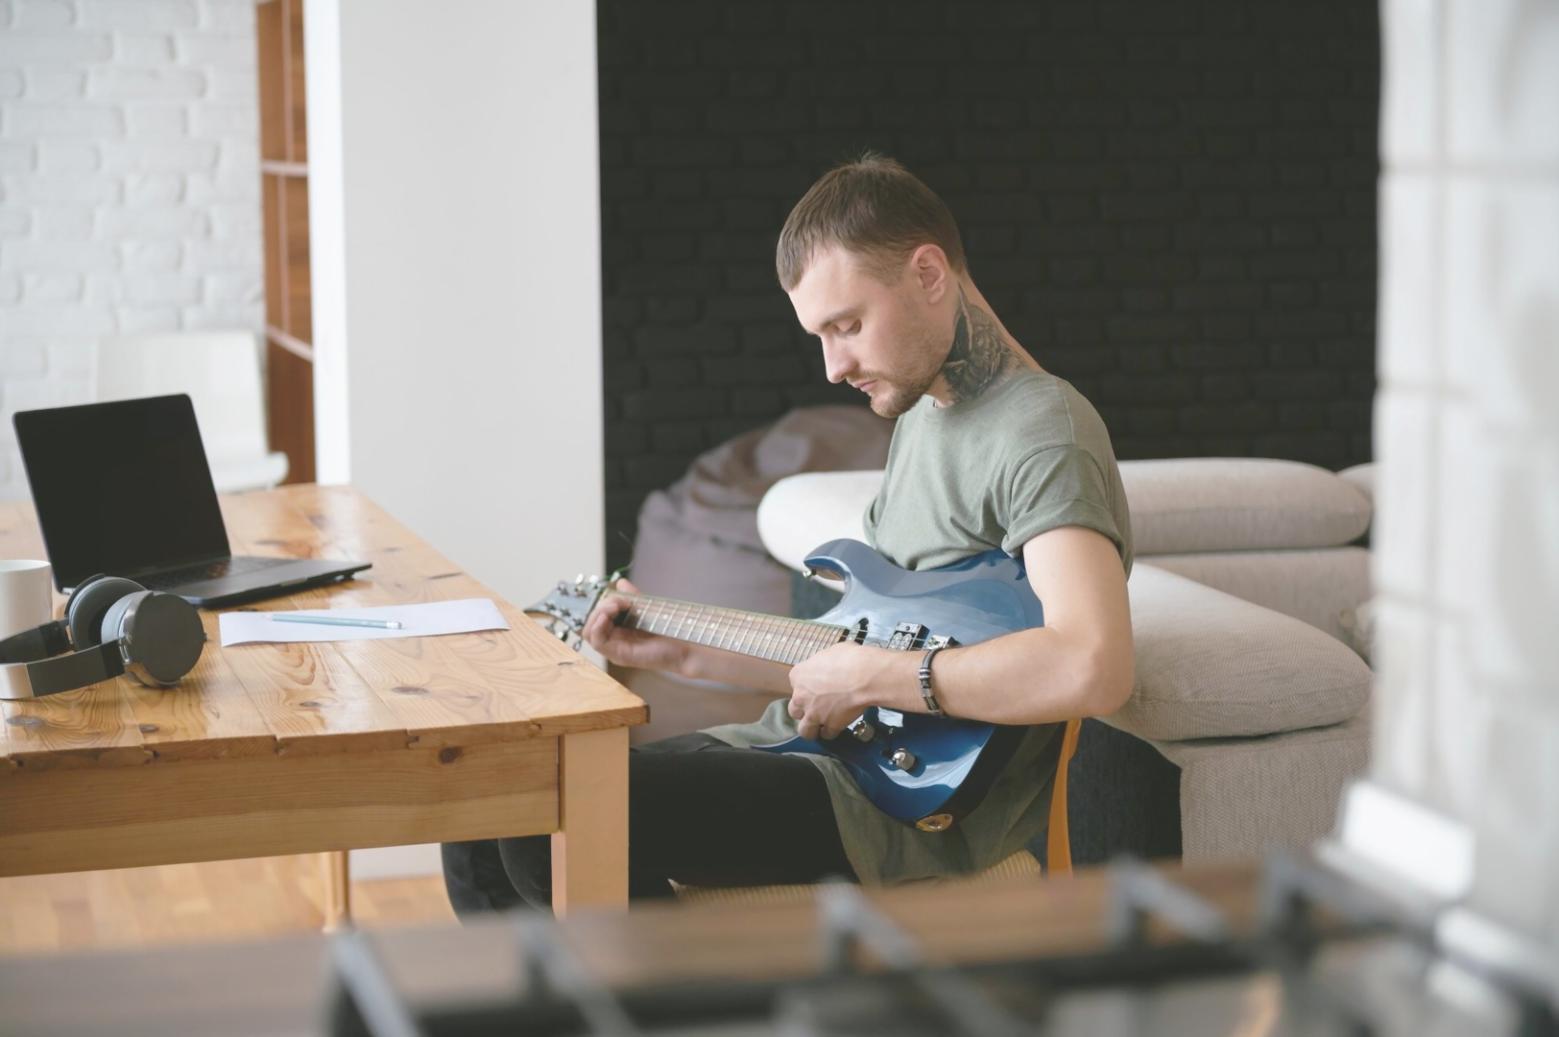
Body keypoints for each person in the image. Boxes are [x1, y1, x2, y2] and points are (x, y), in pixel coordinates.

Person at [440, 153, 1135, 913]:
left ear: (929, 274)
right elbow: (859, 653)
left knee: (553, 815)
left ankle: (688, 982)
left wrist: (868, 679)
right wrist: (679, 653)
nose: (833, 366)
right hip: (818, 751)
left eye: (848, 326)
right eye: (820, 335)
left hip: (902, 807)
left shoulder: (1043, 432)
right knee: (492, 796)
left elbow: (1091, 664)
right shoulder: (925, 413)